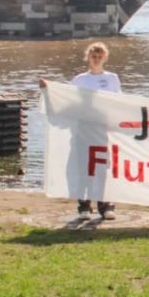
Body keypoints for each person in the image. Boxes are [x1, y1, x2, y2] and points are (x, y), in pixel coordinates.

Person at [41, 42, 121, 220]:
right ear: (88, 58)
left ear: (105, 58)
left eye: (100, 56)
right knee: (82, 166)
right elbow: (66, 101)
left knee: (102, 168)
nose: (97, 59)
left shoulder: (112, 78)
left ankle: (105, 205)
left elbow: (119, 103)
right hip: (82, 130)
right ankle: (84, 206)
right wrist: (48, 89)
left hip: (102, 129)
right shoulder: (80, 80)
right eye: (94, 56)